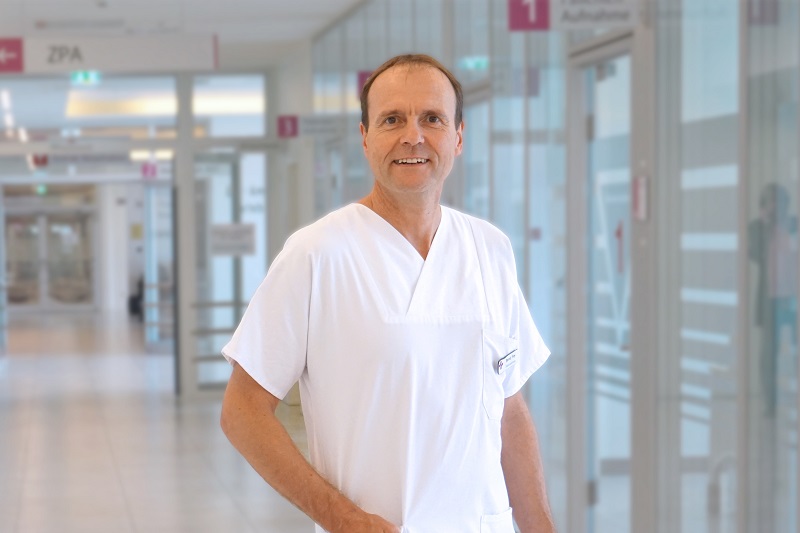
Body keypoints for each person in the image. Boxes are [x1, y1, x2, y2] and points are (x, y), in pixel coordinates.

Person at [220, 54, 556, 533]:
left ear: (459, 137)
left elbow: (510, 411)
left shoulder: (489, 249)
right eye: (392, 119)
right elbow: (242, 412)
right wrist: (343, 519)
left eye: (432, 119)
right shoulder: (318, 254)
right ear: (365, 138)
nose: (412, 136)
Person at [748, 182, 797, 417]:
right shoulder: (757, 228)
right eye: (771, 202)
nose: (776, 206)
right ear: (764, 206)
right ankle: (771, 404)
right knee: (769, 353)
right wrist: (767, 225)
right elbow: (754, 253)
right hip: (771, 300)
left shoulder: (794, 225)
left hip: (793, 299)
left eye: (780, 202)